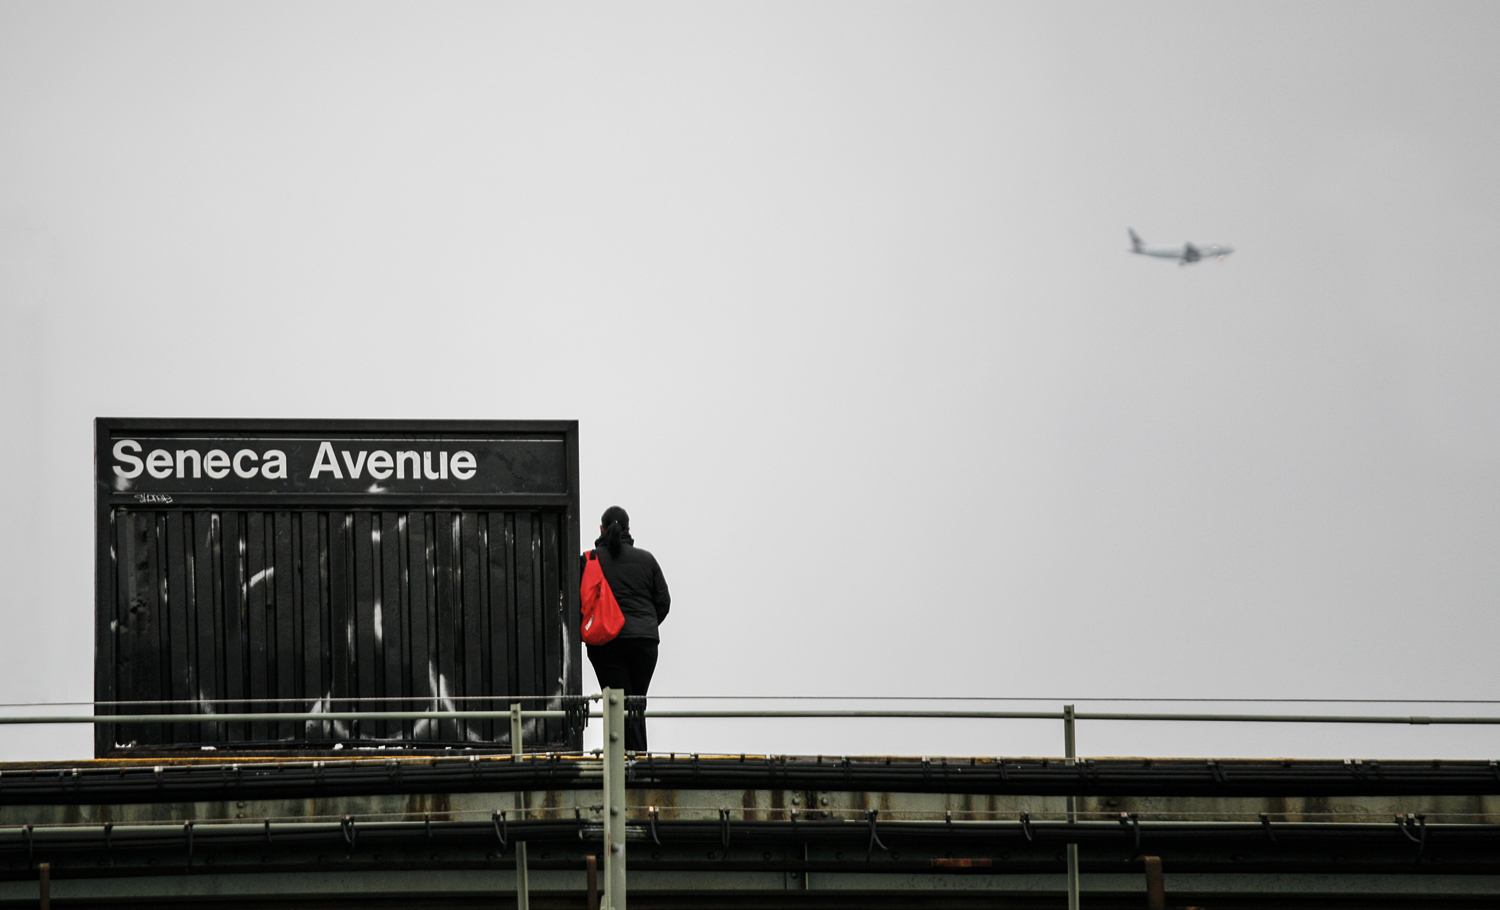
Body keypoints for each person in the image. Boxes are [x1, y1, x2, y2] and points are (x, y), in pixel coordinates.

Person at [582, 506, 670, 752]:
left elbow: (578, 604)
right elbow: (664, 602)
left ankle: (628, 761)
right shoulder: (647, 559)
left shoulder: (588, 560)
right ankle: (637, 758)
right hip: (645, 642)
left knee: (619, 704)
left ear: (601, 529)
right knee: (635, 703)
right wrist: (645, 625)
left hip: (606, 644)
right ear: (629, 529)